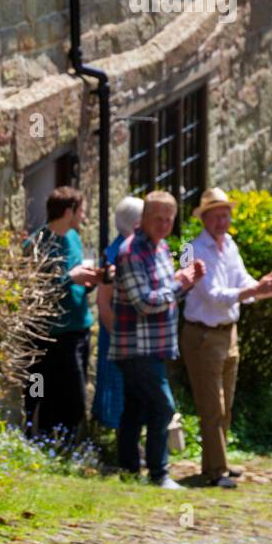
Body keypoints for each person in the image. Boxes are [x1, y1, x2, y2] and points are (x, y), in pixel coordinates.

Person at [180, 187, 272, 488]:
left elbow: (243, 282)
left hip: (227, 333)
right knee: (213, 407)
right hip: (204, 334)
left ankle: (217, 462)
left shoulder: (230, 245)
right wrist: (256, 290)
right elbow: (213, 295)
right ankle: (215, 471)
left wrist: (270, 290)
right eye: (216, 216)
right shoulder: (193, 250)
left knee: (226, 404)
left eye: (226, 216)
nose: (222, 222)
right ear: (204, 219)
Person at [109, 190, 205, 488]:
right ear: (144, 218)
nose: (164, 225)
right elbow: (145, 302)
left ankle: (128, 470)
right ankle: (158, 473)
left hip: (155, 345)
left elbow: (164, 291)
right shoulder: (130, 251)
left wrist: (185, 281)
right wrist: (181, 284)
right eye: (158, 219)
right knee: (163, 407)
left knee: (136, 408)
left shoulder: (161, 247)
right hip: (137, 347)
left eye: (169, 219)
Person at [22, 186, 101, 443]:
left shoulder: (74, 238)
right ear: (69, 212)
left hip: (80, 327)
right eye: (81, 211)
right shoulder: (37, 244)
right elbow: (32, 289)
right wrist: (69, 279)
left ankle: (64, 444)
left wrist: (90, 280)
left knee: (75, 395)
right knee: (57, 393)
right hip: (54, 334)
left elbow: (77, 278)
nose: (84, 216)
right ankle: (50, 442)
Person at [92, 194, 144, 430]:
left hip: (129, 335)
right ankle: (119, 439)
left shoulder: (131, 249)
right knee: (117, 387)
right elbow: (103, 303)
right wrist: (120, 336)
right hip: (118, 335)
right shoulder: (115, 255)